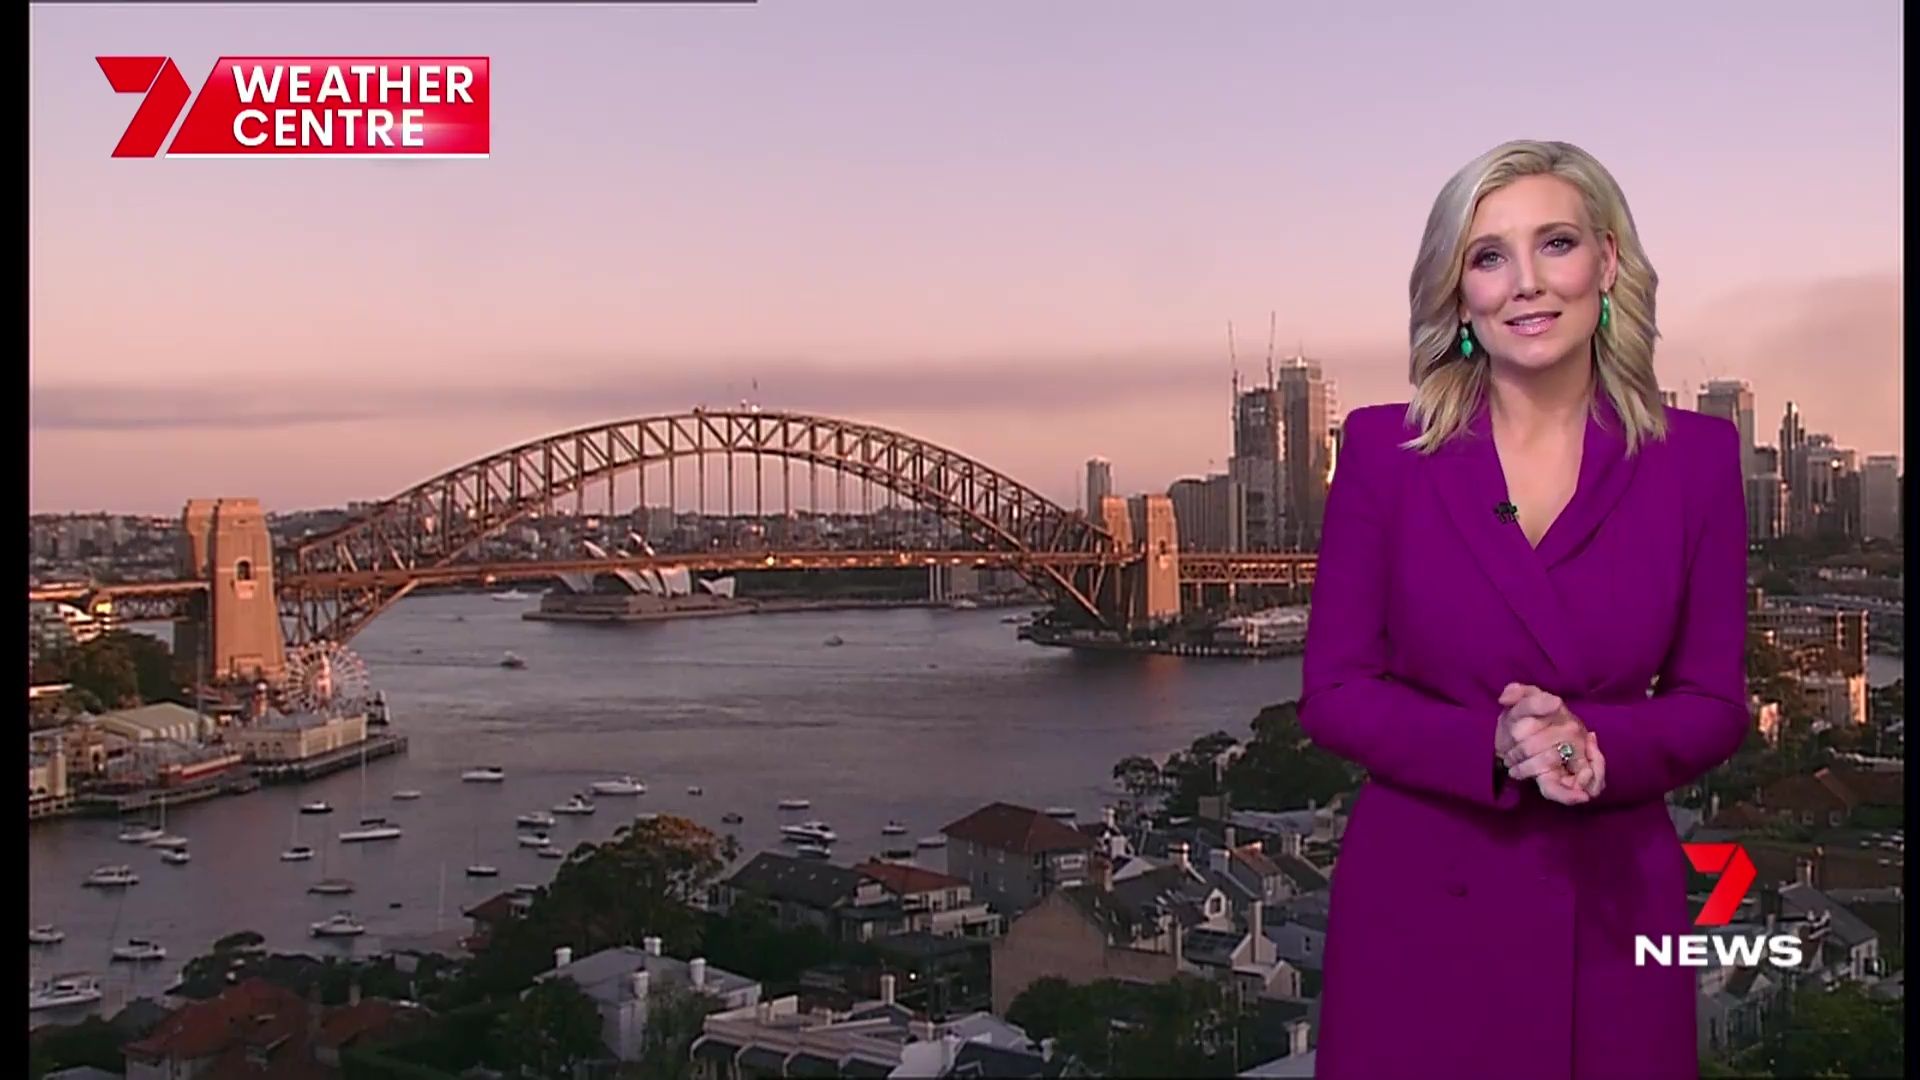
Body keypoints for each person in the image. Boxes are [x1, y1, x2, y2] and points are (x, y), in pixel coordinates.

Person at [1298, 139, 1750, 1080]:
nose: (1527, 284)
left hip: (1612, 908)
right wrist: (1492, 746)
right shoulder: (1384, 453)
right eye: (1489, 256)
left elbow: (1713, 703)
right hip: (1419, 903)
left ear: (1607, 263)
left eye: (1557, 243)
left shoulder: (1697, 460)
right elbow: (1335, 692)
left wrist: (1599, 745)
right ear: (1458, 292)